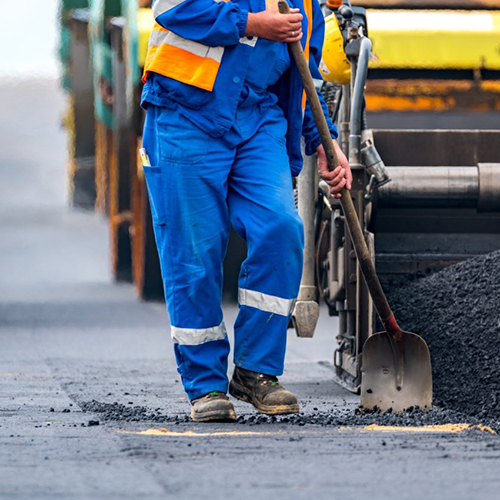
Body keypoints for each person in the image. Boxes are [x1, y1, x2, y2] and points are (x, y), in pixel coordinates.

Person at [141, 0, 352, 422]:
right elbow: (171, 9)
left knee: (280, 228)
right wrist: (252, 24)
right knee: (195, 252)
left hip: (257, 120)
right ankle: (205, 386)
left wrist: (322, 143)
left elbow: (302, 70)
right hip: (186, 113)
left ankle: (256, 371)